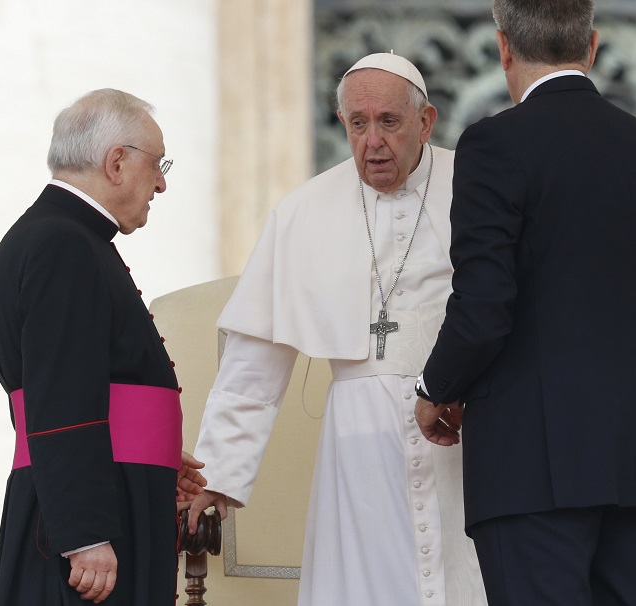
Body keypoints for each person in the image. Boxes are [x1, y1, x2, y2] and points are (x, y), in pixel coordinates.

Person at [414, 2, 636, 605]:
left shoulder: (492, 145)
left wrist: (435, 387)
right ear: (593, 46)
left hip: (534, 466)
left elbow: (484, 308)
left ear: (504, 49)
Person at [188, 53, 487, 606]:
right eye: (357, 123)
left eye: (389, 122)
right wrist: (219, 473)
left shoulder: (476, 189)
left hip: (464, 435)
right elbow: (254, 359)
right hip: (359, 448)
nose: (372, 141)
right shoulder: (304, 211)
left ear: (425, 122)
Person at [0, 88, 206, 606]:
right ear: (117, 162)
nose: (162, 183)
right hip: (87, 526)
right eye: (158, 164)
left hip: (109, 490)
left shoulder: (63, 237)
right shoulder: (63, 244)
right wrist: (84, 534)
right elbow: (59, 396)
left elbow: (96, 382)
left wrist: (154, 458)